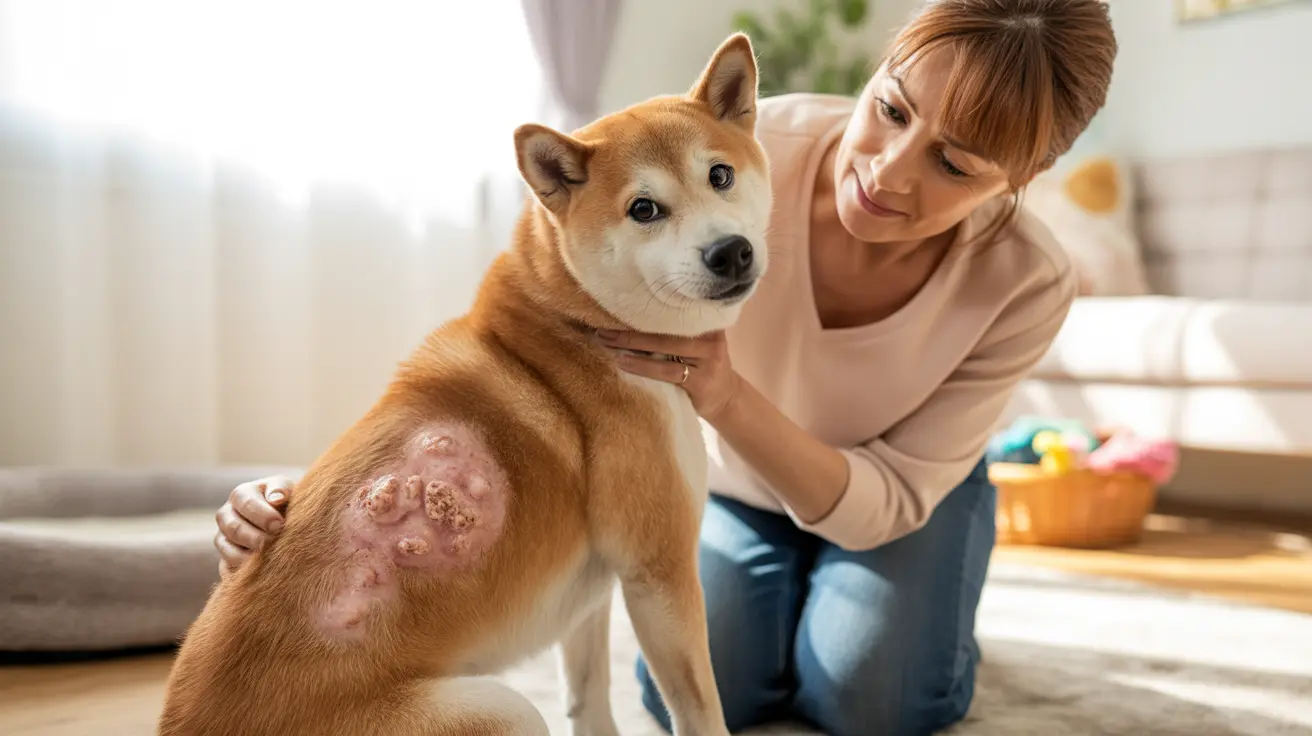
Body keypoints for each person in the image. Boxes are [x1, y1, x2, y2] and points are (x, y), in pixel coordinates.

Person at [212, 1, 1117, 733]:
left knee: (871, 699)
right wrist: (330, 508)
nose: (885, 170)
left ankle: (920, 614)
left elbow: (887, 498)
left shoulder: (1025, 280)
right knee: (714, 681)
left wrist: (718, 393)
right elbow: (531, 324)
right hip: (743, 492)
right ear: (877, 73)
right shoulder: (739, 145)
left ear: (1021, 175)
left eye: (953, 163)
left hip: (896, 497)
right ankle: (799, 582)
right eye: (890, 108)